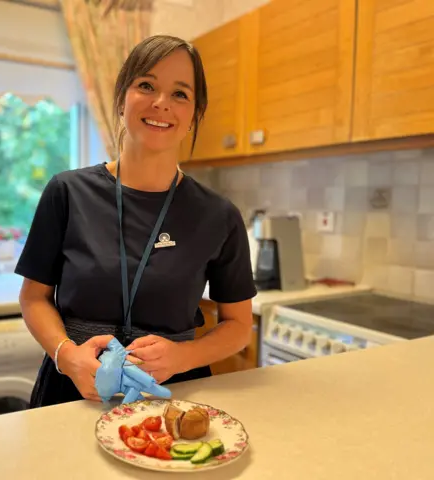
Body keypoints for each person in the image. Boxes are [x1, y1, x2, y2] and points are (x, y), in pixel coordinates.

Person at [15, 34, 257, 408]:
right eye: (146, 85)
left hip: (173, 396)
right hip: (75, 390)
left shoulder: (219, 216)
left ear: (195, 114)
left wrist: (183, 356)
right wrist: (66, 355)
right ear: (121, 98)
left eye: (180, 94)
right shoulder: (67, 192)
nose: (161, 103)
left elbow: (240, 326)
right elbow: (34, 298)